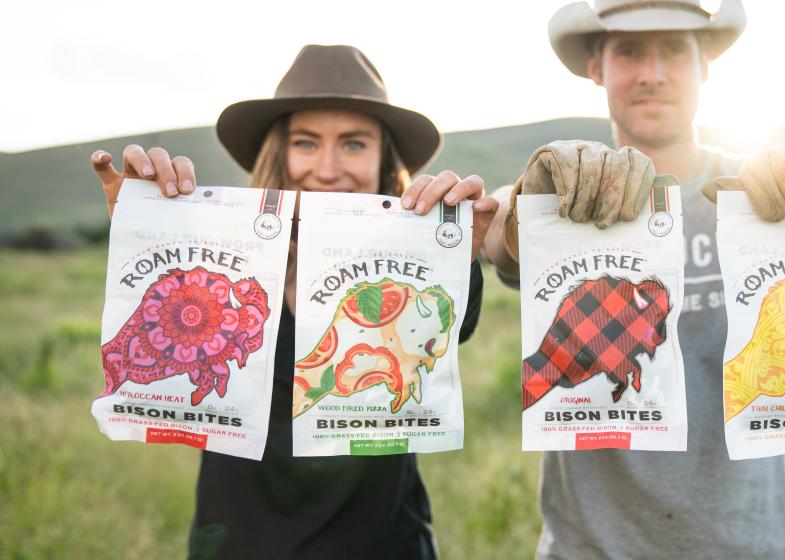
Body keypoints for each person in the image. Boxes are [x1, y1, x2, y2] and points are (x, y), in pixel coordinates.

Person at [482, 1, 785, 558]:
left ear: (705, 67)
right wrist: (522, 203)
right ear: (596, 66)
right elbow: (500, 234)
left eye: (674, 50)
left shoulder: (761, 198)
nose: (652, 72)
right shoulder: (567, 201)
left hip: (756, 545)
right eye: (629, 52)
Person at [91, 44, 497, 559]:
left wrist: (453, 254)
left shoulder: (403, 287)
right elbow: (157, 345)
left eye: (353, 145)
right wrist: (146, 233)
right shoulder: (217, 274)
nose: (327, 169)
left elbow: (450, 328)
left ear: (383, 160)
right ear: (279, 154)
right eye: (306, 143)